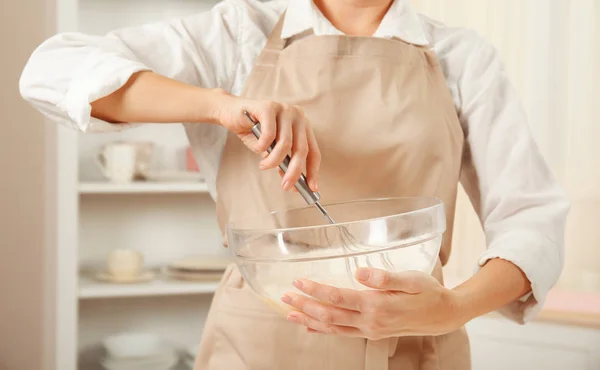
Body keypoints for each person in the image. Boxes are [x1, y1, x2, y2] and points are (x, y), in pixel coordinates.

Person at [20, 0, 569, 368]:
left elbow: (531, 217)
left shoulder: (460, 56)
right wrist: (219, 106)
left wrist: (450, 307)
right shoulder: (238, 33)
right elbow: (51, 71)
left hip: (417, 342)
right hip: (261, 343)